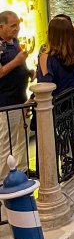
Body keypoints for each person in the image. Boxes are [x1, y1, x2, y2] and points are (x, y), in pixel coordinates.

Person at [0, 11, 31, 177]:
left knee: (21, 138)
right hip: (6, 102)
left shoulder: (14, 41)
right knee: (7, 142)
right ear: (1, 26)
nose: (17, 29)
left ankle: (22, 171)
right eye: (13, 26)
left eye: (18, 25)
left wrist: (27, 72)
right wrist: (17, 62)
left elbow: (16, 67)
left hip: (21, 99)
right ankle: (3, 179)